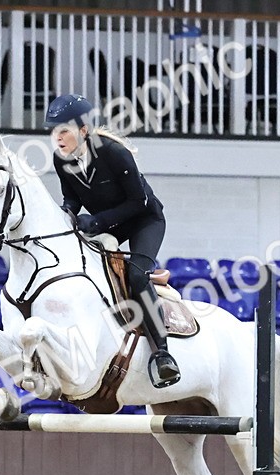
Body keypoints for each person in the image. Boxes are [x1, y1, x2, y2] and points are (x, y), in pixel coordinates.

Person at [45, 93, 181, 389]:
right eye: (54, 131)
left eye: (64, 130)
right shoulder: (60, 159)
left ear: (83, 131)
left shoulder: (114, 153)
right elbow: (71, 198)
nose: (58, 138)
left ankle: (162, 355)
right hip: (108, 223)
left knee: (135, 274)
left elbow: (139, 202)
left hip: (144, 220)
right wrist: (65, 215)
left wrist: (98, 222)